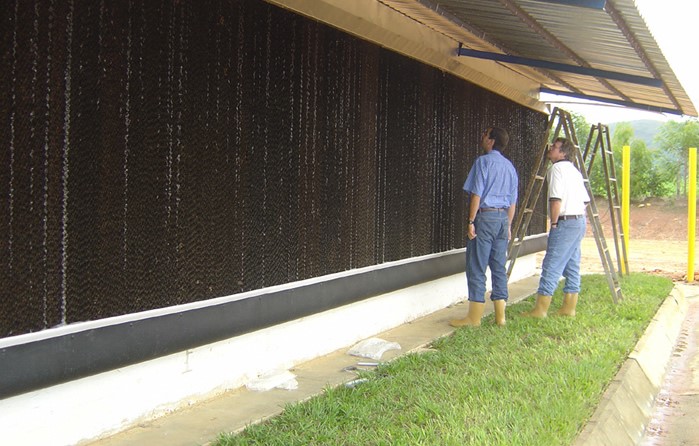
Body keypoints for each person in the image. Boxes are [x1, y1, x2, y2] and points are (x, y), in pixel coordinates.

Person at [450, 127, 518, 328]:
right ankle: (500, 317)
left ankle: (474, 317)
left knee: (477, 265)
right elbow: (513, 201)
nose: (482, 137)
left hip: (485, 217)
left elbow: (476, 194)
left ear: (491, 141)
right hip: (503, 218)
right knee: (498, 266)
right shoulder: (510, 167)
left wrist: (471, 221)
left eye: (485, 135)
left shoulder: (483, 162)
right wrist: (509, 225)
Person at [524, 137, 589, 318]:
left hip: (565, 221)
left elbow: (555, 199)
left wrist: (553, 223)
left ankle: (540, 309)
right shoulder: (575, 172)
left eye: (554, 147)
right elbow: (585, 201)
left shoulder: (556, 169)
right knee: (572, 264)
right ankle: (569, 307)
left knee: (551, 263)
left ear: (563, 153)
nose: (550, 148)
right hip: (578, 221)